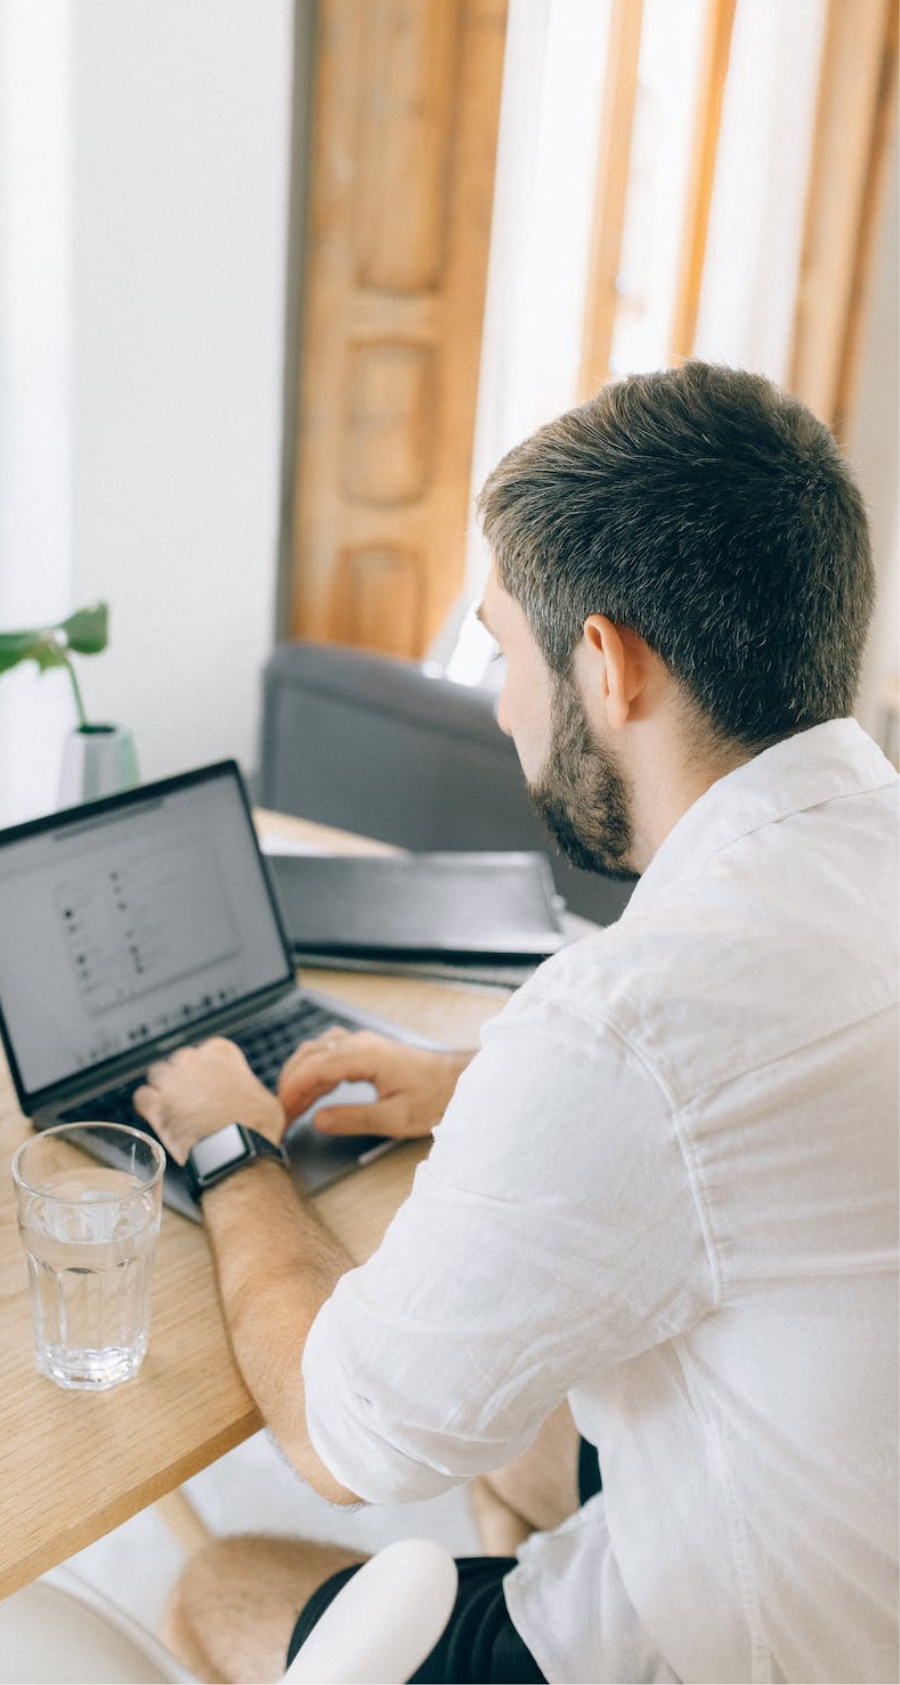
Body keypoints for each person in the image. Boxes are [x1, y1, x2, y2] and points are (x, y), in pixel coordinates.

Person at [135, 362, 899, 1684]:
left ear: (605, 664)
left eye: (504, 647)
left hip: (758, 1648)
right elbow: (757, 1081)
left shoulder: (624, 1029)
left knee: (218, 1584)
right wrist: (468, 1083)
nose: (502, 703)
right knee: (509, 1402)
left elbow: (340, 1435)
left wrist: (230, 1145)